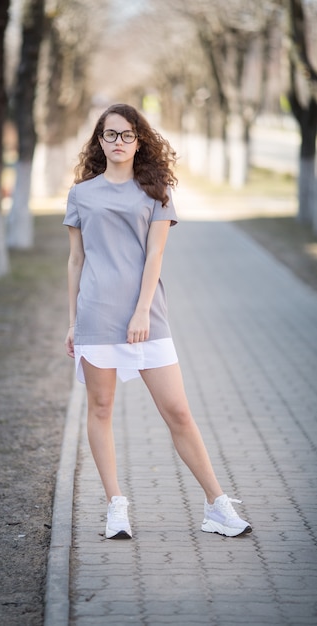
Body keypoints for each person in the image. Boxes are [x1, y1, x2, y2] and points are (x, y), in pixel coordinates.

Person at [63, 103, 252, 540]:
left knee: (179, 412)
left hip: (147, 317)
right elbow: (75, 261)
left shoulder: (156, 189)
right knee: (102, 409)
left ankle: (216, 505)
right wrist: (72, 322)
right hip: (95, 315)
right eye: (110, 135)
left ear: (139, 140)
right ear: (99, 140)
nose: (118, 143)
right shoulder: (81, 194)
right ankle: (115, 506)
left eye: (127, 135)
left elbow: (155, 255)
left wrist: (142, 310)